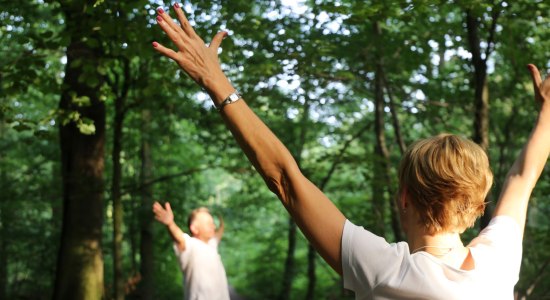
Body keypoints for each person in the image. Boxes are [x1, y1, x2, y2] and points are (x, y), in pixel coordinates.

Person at [151, 3, 550, 299]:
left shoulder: (384, 269)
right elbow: (523, 176)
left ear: (405, 197)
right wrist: (548, 111)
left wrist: (215, 81)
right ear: (479, 205)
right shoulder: (499, 263)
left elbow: (286, 180)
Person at [152, 202, 230, 300]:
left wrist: (222, 222)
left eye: (213, 223)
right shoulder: (191, 245)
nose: (213, 226)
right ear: (194, 228)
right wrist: (170, 224)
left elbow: (219, 234)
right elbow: (179, 238)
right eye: (209, 224)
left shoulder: (212, 245)